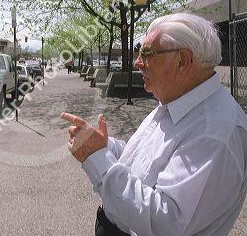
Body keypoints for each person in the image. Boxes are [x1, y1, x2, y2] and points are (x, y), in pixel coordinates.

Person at [61, 13, 247, 236]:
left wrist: (99, 161)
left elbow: (164, 222)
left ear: (182, 61)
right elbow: (142, 162)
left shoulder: (213, 132)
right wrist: (103, 146)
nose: (137, 62)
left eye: (146, 53)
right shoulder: (177, 102)